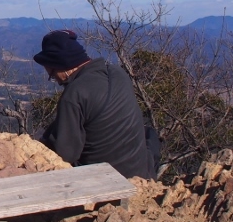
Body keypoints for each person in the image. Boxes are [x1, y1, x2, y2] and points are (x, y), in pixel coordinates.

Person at [35, 30, 156, 180]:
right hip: (141, 173)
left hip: (104, 180)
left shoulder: (74, 94)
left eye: (52, 75)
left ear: (60, 65)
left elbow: (66, 154)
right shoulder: (118, 73)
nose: (56, 80)